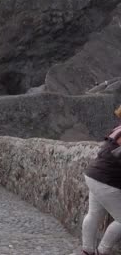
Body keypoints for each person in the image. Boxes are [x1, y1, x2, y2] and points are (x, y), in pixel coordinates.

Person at [79, 105, 121, 255]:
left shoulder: (118, 129)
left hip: (93, 174)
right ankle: (102, 251)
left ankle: (87, 250)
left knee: (93, 214)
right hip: (107, 180)